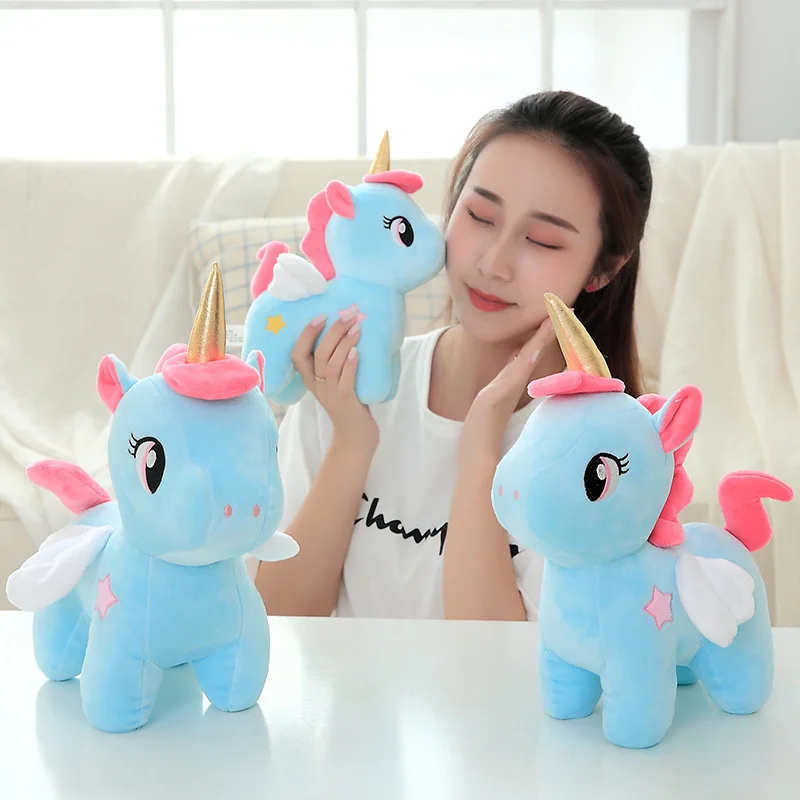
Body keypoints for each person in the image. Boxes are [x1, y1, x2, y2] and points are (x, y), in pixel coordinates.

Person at [254, 90, 652, 620]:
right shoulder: (346, 378)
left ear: (603, 270)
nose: (493, 263)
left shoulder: (601, 454)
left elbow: (498, 658)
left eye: (542, 240)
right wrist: (352, 442)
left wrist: (481, 448)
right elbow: (278, 621)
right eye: (481, 216)